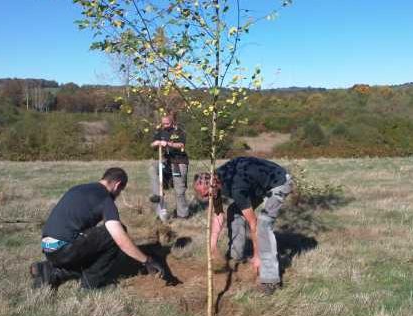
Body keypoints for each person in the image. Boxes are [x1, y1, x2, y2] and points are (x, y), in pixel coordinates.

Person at [30, 167, 164, 290]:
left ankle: (51, 271)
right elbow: (120, 239)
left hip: (48, 247)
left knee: (93, 245)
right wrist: (147, 261)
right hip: (65, 249)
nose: (118, 195)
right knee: (114, 234)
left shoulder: (79, 188)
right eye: (120, 191)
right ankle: (92, 284)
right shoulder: (105, 199)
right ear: (117, 185)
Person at [193, 157, 293, 295]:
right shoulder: (216, 180)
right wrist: (212, 246)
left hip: (279, 182)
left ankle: (269, 279)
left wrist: (257, 256)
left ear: (213, 185)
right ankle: (236, 255)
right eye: (204, 196)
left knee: (264, 225)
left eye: (207, 194)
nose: (207, 198)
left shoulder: (236, 188)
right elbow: (218, 215)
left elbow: (254, 224)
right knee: (234, 211)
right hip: (256, 185)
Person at [149, 113, 189, 221]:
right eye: (163, 123)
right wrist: (156, 143)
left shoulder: (179, 131)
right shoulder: (160, 131)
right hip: (166, 162)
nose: (165, 125)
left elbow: (181, 145)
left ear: (173, 122)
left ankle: (182, 215)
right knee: (153, 168)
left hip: (178, 162)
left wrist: (167, 143)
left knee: (179, 191)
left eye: (167, 123)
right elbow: (152, 144)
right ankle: (158, 196)